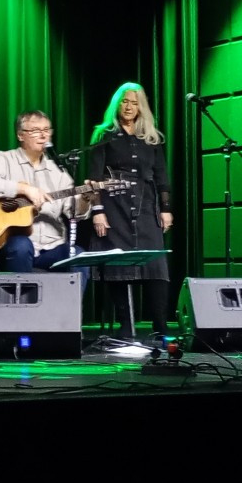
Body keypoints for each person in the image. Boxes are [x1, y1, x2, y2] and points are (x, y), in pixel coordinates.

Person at [87, 82, 173, 341]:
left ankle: (161, 326)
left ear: (141, 107)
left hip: (146, 205)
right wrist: (98, 211)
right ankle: (126, 326)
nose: (129, 106)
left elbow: (161, 176)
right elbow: (93, 178)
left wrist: (166, 209)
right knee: (118, 264)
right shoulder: (104, 135)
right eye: (125, 101)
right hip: (114, 206)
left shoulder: (151, 138)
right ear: (117, 103)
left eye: (134, 102)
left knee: (155, 266)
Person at [0, 110, 95, 290]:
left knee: (78, 255)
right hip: (14, 244)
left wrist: (85, 198)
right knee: (21, 245)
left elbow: (73, 212)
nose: (43, 135)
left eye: (47, 130)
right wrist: (23, 189)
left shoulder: (58, 171)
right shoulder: (5, 159)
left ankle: (68, 315)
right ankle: (22, 311)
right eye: (36, 130)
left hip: (52, 246)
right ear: (20, 135)